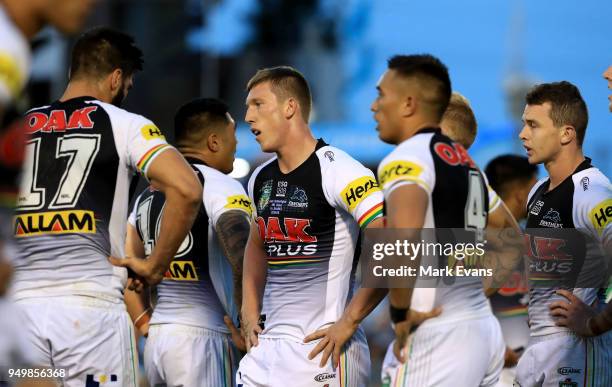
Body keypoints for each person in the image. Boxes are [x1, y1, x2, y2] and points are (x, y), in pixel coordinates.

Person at [11, 27, 202, 387]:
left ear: (72, 72)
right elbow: (187, 188)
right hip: (88, 319)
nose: (125, 94)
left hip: (19, 319)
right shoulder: (126, 125)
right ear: (116, 78)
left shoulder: (18, 127)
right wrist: (156, 266)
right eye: (127, 87)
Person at [238, 66, 385, 387]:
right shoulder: (259, 178)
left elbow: (393, 250)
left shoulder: (342, 171)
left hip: (323, 352)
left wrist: (350, 321)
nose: (248, 116)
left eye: (258, 104)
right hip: (265, 353)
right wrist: (248, 309)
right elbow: (256, 244)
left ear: (290, 107)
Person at [374, 54, 506, 386]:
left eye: (381, 95)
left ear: (408, 104)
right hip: (481, 327)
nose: (374, 106)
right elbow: (509, 232)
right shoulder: (469, 165)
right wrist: (479, 292)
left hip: (437, 333)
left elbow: (403, 239)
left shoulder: (407, 158)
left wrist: (399, 313)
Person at [124, 98, 251, 387]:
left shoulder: (147, 194)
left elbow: (125, 265)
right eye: (233, 138)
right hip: (206, 338)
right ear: (214, 142)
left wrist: (145, 323)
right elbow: (242, 256)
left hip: (159, 341)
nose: (236, 146)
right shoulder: (221, 185)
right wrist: (248, 325)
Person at [516, 81, 612, 386]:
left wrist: (597, 322)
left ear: (566, 133)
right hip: (536, 347)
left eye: (533, 125)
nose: (523, 134)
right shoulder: (537, 192)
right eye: (523, 124)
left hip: (577, 351)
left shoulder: (592, 191)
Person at [485, 154, 538, 387]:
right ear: (521, 194)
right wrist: (492, 345)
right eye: (534, 189)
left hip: (529, 364)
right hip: (495, 368)